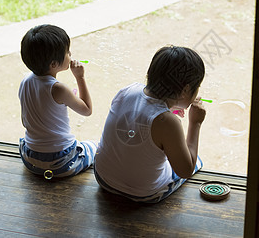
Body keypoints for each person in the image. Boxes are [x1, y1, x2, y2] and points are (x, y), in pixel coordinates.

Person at [94, 45, 206, 203]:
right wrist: (195, 123)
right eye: (197, 87)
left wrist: (169, 109)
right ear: (186, 90)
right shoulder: (168, 122)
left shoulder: (127, 90)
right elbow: (185, 170)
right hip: (142, 193)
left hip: (103, 178)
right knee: (195, 160)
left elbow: (142, 116)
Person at [18, 24, 96, 179]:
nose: (70, 54)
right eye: (67, 52)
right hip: (61, 162)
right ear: (53, 64)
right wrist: (80, 77)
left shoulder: (25, 81)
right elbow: (87, 110)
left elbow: (25, 120)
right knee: (95, 146)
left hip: (30, 158)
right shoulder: (59, 89)